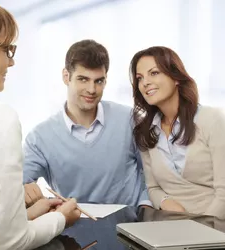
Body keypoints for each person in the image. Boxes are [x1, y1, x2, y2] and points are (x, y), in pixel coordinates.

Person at [0, 1, 81, 249]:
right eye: (6, 50)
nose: (10, 63)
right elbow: (10, 242)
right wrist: (60, 218)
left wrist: (26, 215)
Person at [23, 39, 151, 209]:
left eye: (99, 81)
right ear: (66, 76)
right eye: (83, 79)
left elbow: (153, 175)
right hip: (71, 230)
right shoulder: (40, 137)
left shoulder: (130, 120)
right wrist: (23, 189)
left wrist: (145, 206)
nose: (91, 89)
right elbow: (17, 183)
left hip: (128, 229)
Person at [129, 46, 225, 220]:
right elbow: (153, 188)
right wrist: (167, 203)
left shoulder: (214, 120)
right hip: (178, 225)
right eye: (140, 78)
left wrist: (197, 230)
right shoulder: (145, 131)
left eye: (154, 73)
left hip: (222, 223)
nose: (145, 82)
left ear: (176, 78)